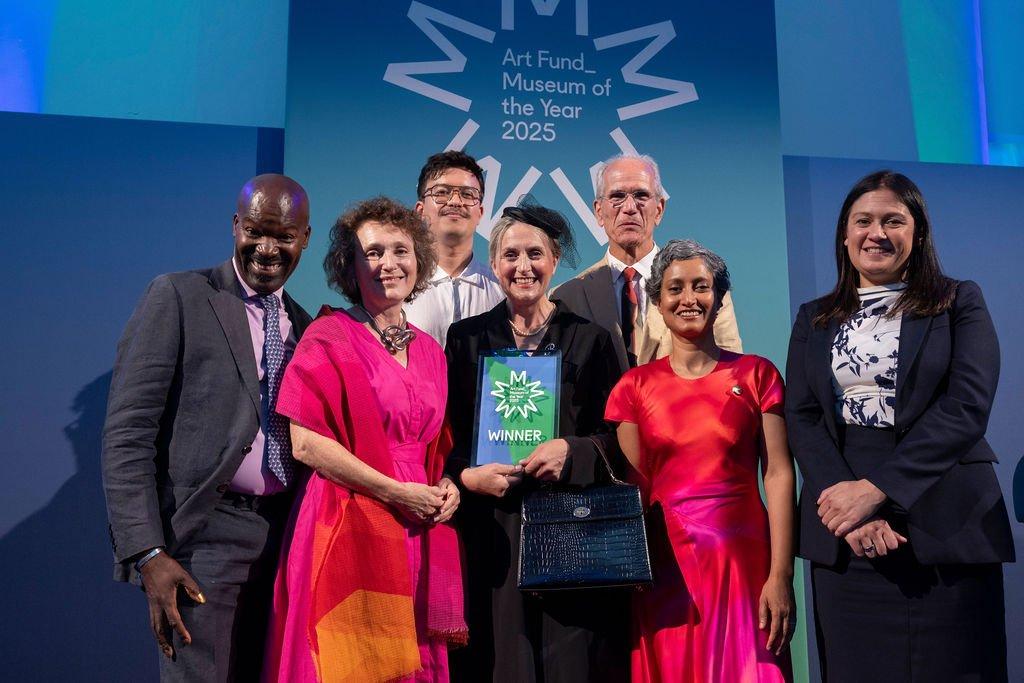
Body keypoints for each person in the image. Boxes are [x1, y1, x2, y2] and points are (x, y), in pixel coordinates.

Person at [785, 170, 1015, 682]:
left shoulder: (959, 302)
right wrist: (850, 508)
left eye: (894, 220)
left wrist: (878, 490)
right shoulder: (814, 317)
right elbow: (802, 417)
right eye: (863, 221)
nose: (877, 232)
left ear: (918, 233)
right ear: (845, 237)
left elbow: (967, 406)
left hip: (943, 522)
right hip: (845, 535)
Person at [101, 174, 313, 681]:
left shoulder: (306, 327)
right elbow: (128, 434)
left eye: (284, 236)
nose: (267, 249)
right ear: (235, 225)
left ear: (304, 238)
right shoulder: (179, 295)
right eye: (256, 231)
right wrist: (148, 552)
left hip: (284, 541)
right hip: (201, 539)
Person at [264, 197, 465, 682]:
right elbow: (306, 444)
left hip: (418, 525)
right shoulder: (328, 336)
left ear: (419, 260)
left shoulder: (432, 351)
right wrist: (395, 491)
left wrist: (448, 485)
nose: (388, 264)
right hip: (348, 523)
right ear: (350, 266)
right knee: (352, 666)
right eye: (372, 252)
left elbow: (435, 447)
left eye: (400, 250)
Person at [445, 201, 629, 682]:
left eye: (535, 254)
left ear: (553, 260)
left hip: (569, 530)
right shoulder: (465, 339)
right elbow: (447, 434)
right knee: (497, 662)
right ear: (494, 263)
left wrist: (574, 451)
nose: (522, 267)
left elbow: (618, 438)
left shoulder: (590, 340)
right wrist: (465, 476)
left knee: (570, 663)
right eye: (510, 255)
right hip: (491, 531)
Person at [605, 239, 796, 682]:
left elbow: (780, 474)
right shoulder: (633, 388)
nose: (688, 299)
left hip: (746, 568)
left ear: (719, 297)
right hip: (666, 570)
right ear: (657, 300)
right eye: (675, 288)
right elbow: (634, 495)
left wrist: (780, 575)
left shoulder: (757, 374)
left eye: (700, 287)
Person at [552, 153, 742, 372]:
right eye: (617, 196)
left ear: (659, 210)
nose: (630, 207)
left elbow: (730, 370)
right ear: (599, 212)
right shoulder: (566, 298)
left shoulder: (707, 288)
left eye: (641, 195)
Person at [405, 150, 504, 345]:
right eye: (442, 192)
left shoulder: (503, 290)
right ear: (420, 210)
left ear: (480, 213)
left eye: (468, 194)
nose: (455, 202)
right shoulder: (397, 288)